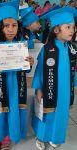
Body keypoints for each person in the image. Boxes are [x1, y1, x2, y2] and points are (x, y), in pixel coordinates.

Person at [0, 1, 34, 150]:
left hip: (16, 85)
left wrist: (30, 62)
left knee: (12, 109)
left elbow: (25, 69)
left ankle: (6, 136)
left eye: (14, 25)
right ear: (0, 27)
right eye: (6, 26)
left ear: (18, 26)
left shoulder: (21, 45)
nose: (10, 29)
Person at [31, 7, 77, 150]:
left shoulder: (72, 49)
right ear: (57, 30)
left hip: (64, 90)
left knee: (61, 114)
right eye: (67, 27)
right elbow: (39, 71)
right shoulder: (47, 49)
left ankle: (55, 137)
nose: (72, 30)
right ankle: (41, 136)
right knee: (47, 114)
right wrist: (38, 89)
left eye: (73, 27)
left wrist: (73, 85)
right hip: (49, 88)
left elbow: (73, 70)